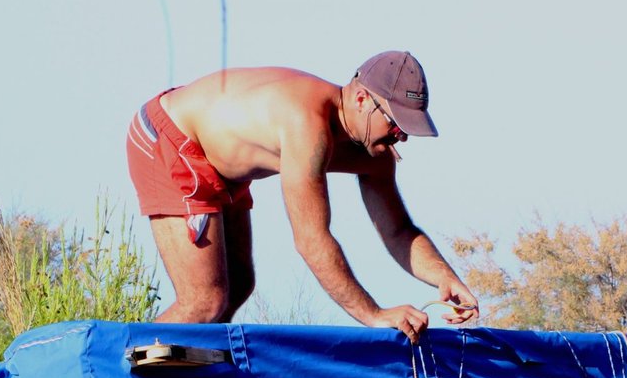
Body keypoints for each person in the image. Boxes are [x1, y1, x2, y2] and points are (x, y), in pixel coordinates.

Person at [125, 50, 478, 341]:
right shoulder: (306, 125)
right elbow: (311, 241)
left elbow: (399, 230)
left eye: (408, 130)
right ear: (361, 99)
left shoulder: (375, 151)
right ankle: (109, 375)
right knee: (204, 301)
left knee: (239, 286)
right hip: (171, 137)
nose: (401, 137)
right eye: (396, 124)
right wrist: (373, 315)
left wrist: (445, 277)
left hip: (224, 167)